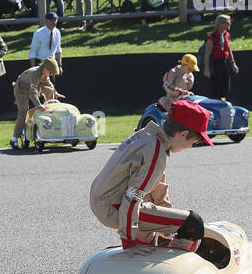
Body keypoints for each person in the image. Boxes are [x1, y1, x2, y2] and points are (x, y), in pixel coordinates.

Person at [89, 98, 212, 250]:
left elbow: (158, 189)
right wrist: (129, 242)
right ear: (183, 134)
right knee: (193, 223)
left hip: (104, 199)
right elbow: (132, 196)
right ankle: (173, 267)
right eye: (193, 142)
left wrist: (167, 226)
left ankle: (148, 249)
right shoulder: (155, 152)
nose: (191, 146)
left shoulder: (149, 136)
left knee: (157, 217)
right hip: (112, 207)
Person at [12, 57, 62, 148]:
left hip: (32, 88)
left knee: (49, 90)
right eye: (50, 72)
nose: (51, 75)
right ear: (45, 68)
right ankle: (14, 139)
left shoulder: (44, 74)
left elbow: (49, 84)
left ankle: (49, 116)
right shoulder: (34, 74)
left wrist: (55, 92)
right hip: (21, 90)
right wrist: (39, 106)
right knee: (23, 112)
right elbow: (32, 92)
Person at [202, 14, 239, 99]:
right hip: (215, 63)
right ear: (220, 24)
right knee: (216, 87)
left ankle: (222, 102)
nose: (229, 24)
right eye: (227, 22)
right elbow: (207, 54)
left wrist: (233, 64)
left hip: (224, 62)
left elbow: (228, 50)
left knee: (225, 86)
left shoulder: (227, 35)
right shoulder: (212, 37)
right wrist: (207, 69)